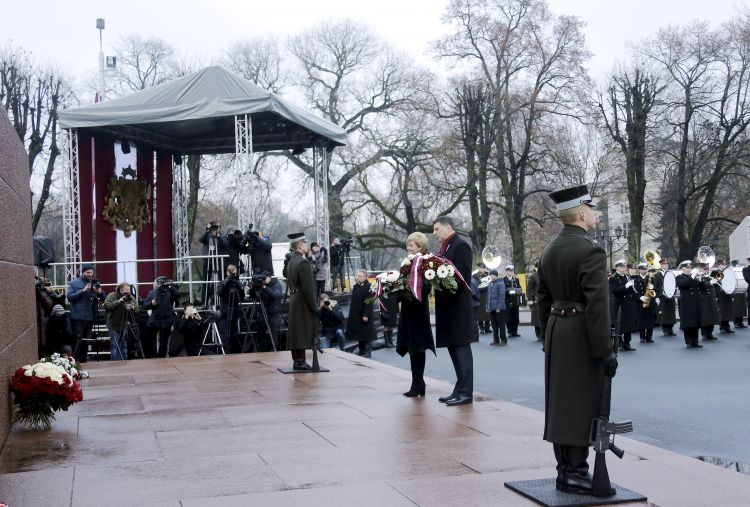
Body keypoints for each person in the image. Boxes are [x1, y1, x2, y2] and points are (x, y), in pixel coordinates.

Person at [537, 184, 617, 495]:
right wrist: (604, 351)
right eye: (592, 209)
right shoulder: (590, 250)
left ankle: (566, 470)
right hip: (580, 333)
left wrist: (548, 335)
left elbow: (542, 299)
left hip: (558, 330)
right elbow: (597, 305)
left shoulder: (550, 249)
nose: (596, 214)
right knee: (582, 402)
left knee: (561, 403)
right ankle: (576, 472)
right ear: (582, 213)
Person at [433, 216, 476, 406]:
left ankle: (466, 392)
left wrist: (439, 278)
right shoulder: (446, 247)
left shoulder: (460, 245)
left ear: (448, 227)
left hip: (458, 309)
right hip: (448, 308)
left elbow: (463, 277)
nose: (434, 233)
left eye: (437, 229)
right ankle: (459, 389)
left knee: (462, 351)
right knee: (454, 350)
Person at [396, 232, 436, 397]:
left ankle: (417, 383)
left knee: (418, 347)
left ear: (420, 247)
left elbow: (426, 288)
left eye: (411, 245)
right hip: (408, 311)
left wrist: (408, 288)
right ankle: (418, 382)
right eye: (408, 244)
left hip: (419, 311)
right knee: (412, 347)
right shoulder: (406, 263)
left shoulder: (425, 262)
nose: (408, 247)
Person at [286, 232, 317, 370]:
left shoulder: (292, 261)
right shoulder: (303, 262)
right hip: (302, 300)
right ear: (299, 245)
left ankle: (297, 360)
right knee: (302, 331)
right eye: (305, 243)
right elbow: (308, 288)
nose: (307, 245)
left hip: (294, 298)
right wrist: (314, 306)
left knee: (296, 331)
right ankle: (300, 361)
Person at [66, 263, 107, 363]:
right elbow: (70, 297)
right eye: (88, 272)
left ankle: (84, 362)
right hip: (77, 317)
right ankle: (75, 362)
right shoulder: (74, 283)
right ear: (83, 272)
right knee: (77, 341)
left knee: (86, 341)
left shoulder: (95, 282)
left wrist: (99, 292)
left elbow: (104, 298)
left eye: (91, 272)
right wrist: (83, 291)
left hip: (91, 316)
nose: (90, 274)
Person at [143, 276, 181, 358]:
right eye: (161, 282)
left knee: (164, 343)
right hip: (154, 321)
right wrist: (151, 303)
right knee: (149, 341)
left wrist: (170, 286)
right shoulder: (152, 293)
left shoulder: (171, 292)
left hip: (167, 321)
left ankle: (161, 358)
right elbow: (145, 306)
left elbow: (177, 294)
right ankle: (151, 358)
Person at [608, 259, 638, 351]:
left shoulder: (627, 277)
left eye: (624, 266)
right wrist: (625, 286)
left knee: (628, 324)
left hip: (627, 303)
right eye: (621, 267)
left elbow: (631, 291)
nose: (623, 268)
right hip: (619, 304)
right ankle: (620, 343)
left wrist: (632, 287)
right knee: (620, 325)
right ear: (617, 268)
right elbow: (615, 291)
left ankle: (627, 343)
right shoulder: (613, 278)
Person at [676, 260, 706, 348]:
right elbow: (683, 284)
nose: (689, 269)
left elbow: (703, 287)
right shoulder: (679, 277)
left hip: (695, 302)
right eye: (687, 267)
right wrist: (693, 275)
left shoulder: (693, 277)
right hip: (686, 303)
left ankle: (695, 341)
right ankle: (689, 341)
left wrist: (700, 278)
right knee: (688, 322)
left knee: (695, 322)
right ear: (682, 269)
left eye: (690, 267)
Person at [347, 269, 376, 358]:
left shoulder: (369, 286)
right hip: (357, 314)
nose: (357, 277)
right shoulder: (357, 286)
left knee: (367, 334)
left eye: (359, 276)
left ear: (365, 277)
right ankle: (361, 350)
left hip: (364, 314)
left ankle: (368, 351)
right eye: (357, 275)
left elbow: (369, 302)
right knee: (360, 333)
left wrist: (366, 314)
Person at [103, 282, 135, 361]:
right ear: (120, 290)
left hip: (124, 324)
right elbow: (106, 306)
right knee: (115, 345)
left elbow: (137, 309)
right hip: (113, 324)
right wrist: (118, 302)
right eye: (126, 289)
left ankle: (124, 363)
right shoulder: (112, 295)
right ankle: (114, 364)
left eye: (129, 289)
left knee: (124, 345)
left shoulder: (130, 297)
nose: (128, 291)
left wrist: (133, 307)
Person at [199, 221, 229, 304]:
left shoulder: (222, 236)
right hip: (208, 261)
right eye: (214, 227)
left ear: (220, 228)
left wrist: (218, 236)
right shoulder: (207, 236)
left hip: (218, 261)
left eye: (217, 227)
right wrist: (207, 231)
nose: (216, 229)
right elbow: (200, 239)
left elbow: (225, 245)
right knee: (206, 281)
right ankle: (204, 302)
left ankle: (221, 302)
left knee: (221, 281)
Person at [218, 264, 245, 353]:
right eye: (232, 274)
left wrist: (239, 287)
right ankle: (225, 352)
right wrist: (227, 283)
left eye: (235, 274)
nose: (233, 276)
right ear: (227, 273)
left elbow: (242, 297)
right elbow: (220, 293)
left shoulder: (237, 283)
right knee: (225, 335)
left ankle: (234, 352)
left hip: (234, 312)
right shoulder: (222, 283)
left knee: (233, 334)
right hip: (225, 312)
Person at [258, 272, 283, 351]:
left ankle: (274, 351)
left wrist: (265, 288)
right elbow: (254, 296)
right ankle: (261, 351)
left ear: (269, 277)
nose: (263, 280)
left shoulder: (276, 284)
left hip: (274, 313)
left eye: (264, 278)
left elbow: (276, 295)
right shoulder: (262, 285)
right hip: (264, 312)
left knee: (273, 335)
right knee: (260, 333)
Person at [654, 258, 677, 336]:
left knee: (671, 313)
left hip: (670, 296)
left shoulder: (671, 274)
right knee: (664, 314)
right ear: (661, 265)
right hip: (662, 297)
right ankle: (665, 330)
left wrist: (674, 293)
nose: (666, 266)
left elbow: (674, 285)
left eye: (667, 264)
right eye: (664, 264)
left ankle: (671, 328)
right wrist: (657, 297)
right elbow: (655, 287)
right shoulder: (658, 275)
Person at [713, 259, 735, 334]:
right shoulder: (716, 272)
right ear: (719, 265)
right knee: (722, 311)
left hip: (727, 293)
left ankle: (727, 326)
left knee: (728, 311)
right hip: (720, 294)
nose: (724, 266)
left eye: (725, 264)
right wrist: (723, 271)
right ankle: (722, 327)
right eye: (722, 264)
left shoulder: (727, 271)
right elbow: (717, 280)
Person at [486, 269, 508, 346]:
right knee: (494, 325)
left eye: (493, 275)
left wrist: (499, 307)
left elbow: (502, 296)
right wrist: (487, 307)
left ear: (496, 275)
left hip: (499, 308)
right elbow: (488, 297)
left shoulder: (501, 284)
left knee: (501, 325)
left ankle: (503, 340)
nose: (491, 276)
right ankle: (496, 339)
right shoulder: (490, 284)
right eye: (491, 275)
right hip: (492, 308)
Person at [637, 264, 658, 343]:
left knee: (650, 319)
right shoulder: (636, 279)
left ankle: (649, 336)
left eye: (645, 269)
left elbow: (655, 289)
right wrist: (640, 297)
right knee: (642, 320)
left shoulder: (650, 278)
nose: (644, 270)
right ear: (639, 270)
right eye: (642, 269)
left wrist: (653, 288)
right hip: (641, 301)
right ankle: (642, 337)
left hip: (650, 301)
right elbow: (634, 291)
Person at [504, 265, 522, 337]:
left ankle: (515, 331)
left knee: (515, 316)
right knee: (509, 316)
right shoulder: (504, 280)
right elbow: (504, 290)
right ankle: (510, 331)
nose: (510, 272)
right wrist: (511, 291)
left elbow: (519, 289)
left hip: (515, 300)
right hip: (508, 300)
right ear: (506, 272)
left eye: (511, 271)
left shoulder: (516, 279)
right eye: (509, 271)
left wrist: (515, 291)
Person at [473, 264, 491, 333]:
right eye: (481, 268)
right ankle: (481, 327)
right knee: (480, 312)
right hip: (480, 295)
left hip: (486, 294)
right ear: (479, 268)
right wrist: (482, 281)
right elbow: (475, 284)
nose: (483, 269)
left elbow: (490, 283)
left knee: (487, 312)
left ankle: (487, 327)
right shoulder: (475, 275)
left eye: (484, 268)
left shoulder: (487, 275)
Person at [527, 263, 542, 340]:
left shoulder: (545, 274)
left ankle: (543, 333)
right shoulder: (533, 276)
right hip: (536, 300)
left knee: (543, 317)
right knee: (536, 318)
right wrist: (530, 300)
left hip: (543, 300)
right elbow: (529, 289)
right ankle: (538, 334)